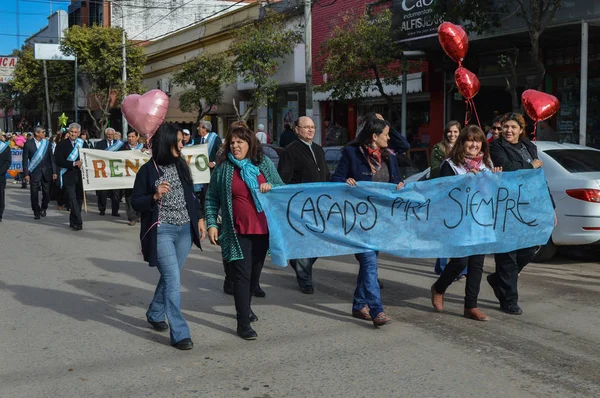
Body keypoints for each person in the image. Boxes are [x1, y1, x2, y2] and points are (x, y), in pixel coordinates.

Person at [205, 125, 284, 340]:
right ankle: (243, 322)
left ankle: (246, 306)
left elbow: (281, 189)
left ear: (250, 144)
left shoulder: (263, 164)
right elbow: (211, 198)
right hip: (236, 229)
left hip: (263, 229)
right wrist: (212, 224)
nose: (235, 146)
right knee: (242, 274)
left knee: (254, 275)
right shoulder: (223, 168)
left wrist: (270, 186)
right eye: (232, 143)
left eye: (240, 142)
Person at [131, 123, 206, 350]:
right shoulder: (148, 170)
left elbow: (191, 195)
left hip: (184, 230)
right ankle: (180, 332)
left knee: (169, 277)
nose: (182, 144)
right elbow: (136, 201)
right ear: (167, 142)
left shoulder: (182, 165)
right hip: (161, 230)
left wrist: (200, 218)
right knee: (173, 280)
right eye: (179, 141)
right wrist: (154, 195)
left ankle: (155, 312)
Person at [331, 117, 404, 327]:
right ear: (374, 136)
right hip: (358, 220)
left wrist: (398, 185)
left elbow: (395, 180)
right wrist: (345, 181)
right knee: (370, 263)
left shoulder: (390, 156)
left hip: (381, 220)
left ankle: (358, 305)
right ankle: (376, 309)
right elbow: (335, 179)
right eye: (386, 134)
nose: (389, 138)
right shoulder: (351, 153)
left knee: (368, 265)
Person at [430, 125, 502, 321]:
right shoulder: (451, 165)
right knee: (460, 261)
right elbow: (443, 193)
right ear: (462, 142)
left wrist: (496, 179)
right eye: (469, 140)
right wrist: (465, 183)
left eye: (477, 141)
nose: (473, 144)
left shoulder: (486, 164)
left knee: (477, 263)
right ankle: (439, 287)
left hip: (481, 219)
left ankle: (471, 305)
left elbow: (494, 192)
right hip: (459, 221)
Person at [488, 112, 549, 315]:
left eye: (513, 127)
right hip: (505, 206)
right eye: (505, 126)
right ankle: (509, 300)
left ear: (521, 129)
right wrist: (530, 166)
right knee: (507, 255)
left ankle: (497, 280)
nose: (508, 130)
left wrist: (551, 206)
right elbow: (507, 167)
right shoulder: (496, 146)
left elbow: (539, 177)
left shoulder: (529, 146)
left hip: (528, 205)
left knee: (531, 248)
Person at [277, 116, 330, 294]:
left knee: (319, 241)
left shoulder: (318, 150)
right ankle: (305, 279)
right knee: (304, 241)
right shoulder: (290, 151)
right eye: (306, 127)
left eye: (313, 127)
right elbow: (283, 179)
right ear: (297, 130)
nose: (310, 130)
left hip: (320, 204)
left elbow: (327, 176)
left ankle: (297, 260)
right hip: (300, 205)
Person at [429, 121, 462, 277]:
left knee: (459, 231)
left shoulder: (464, 147)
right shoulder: (438, 148)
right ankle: (442, 267)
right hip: (442, 194)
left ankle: (459, 267)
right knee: (445, 230)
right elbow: (435, 171)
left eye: (456, 131)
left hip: (461, 196)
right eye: (450, 131)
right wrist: (449, 164)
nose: (452, 134)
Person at [54, 123, 88, 230]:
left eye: (75, 132)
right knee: (72, 199)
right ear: (69, 132)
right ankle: (79, 221)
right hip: (68, 175)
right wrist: (73, 164)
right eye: (71, 132)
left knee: (79, 199)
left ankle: (73, 221)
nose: (73, 134)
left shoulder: (83, 143)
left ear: (78, 133)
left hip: (81, 176)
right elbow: (58, 160)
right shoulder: (61, 144)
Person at [22, 127, 56, 219]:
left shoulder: (47, 143)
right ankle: (36, 211)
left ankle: (44, 207)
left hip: (46, 172)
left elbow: (51, 158)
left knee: (47, 193)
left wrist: (54, 171)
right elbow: (25, 160)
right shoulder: (28, 144)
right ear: (36, 133)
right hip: (34, 172)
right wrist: (26, 174)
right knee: (34, 193)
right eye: (42, 132)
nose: (44, 133)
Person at [95, 127, 123, 216]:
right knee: (102, 192)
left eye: (111, 134)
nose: (110, 136)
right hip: (103, 171)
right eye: (108, 134)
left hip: (115, 171)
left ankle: (115, 211)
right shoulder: (100, 144)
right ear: (106, 134)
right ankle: (102, 209)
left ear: (114, 135)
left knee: (116, 193)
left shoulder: (120, 145)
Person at [120, 131, 144, 226]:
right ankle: (132, 217)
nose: (131, 138)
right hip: (128, 178)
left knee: (141, 196)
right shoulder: (122, 148)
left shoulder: (143, 147)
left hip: (140, 177)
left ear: (137, 137)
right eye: (129, 136)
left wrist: (146, 151)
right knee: (129, 198)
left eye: (133, 136)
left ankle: (139, 214)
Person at [51, 133, 66, 211]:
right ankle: (60, 202)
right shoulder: (57, 146)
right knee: (59, 185)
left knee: (68, 187)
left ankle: (69, 204)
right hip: (59, 167)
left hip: (68, 168)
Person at [0, 137, 11, 221]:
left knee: (0, 195)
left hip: (1, 175)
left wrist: (1, 171)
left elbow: (8, 162)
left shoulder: (4, 147)